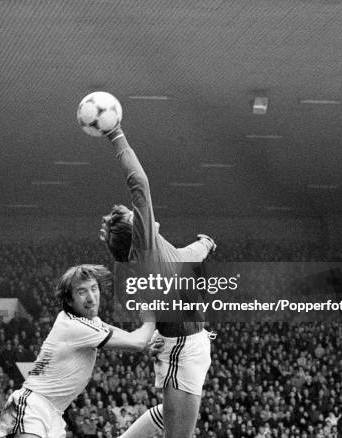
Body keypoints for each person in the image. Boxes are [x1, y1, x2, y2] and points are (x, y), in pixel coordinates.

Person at [98, 126, 216, 438]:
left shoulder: (151, 257)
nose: (146, 218)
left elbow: (183, 256)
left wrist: (205, 245)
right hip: (184, 349)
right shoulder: (146, 249)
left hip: (186, 344)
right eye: (138, 219)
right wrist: (116, 134)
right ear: (137, 234)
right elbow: (139, 183)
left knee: (173, 416)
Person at [0, 264, 156, 438]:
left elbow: (133, 338)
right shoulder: (76, 326)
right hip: (33, 405)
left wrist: (153, 339)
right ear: (70, 300)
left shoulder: (86, 321)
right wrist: (153, 315)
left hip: (53, 412)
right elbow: (138, 342)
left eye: (94, 289)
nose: (91, 298)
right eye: (82, 292)